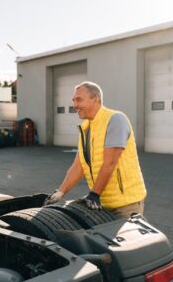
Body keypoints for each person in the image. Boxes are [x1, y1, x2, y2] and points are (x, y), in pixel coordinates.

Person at [44, 81, 147, 218]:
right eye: (74, 100)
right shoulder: (86, 128)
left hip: (125, 205)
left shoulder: (115, 120)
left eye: (79, 100)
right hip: (101, 203)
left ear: (96, 100)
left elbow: (109, 162)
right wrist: (60, 192)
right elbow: (78, 166)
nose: (75, 105)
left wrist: (94, 194)